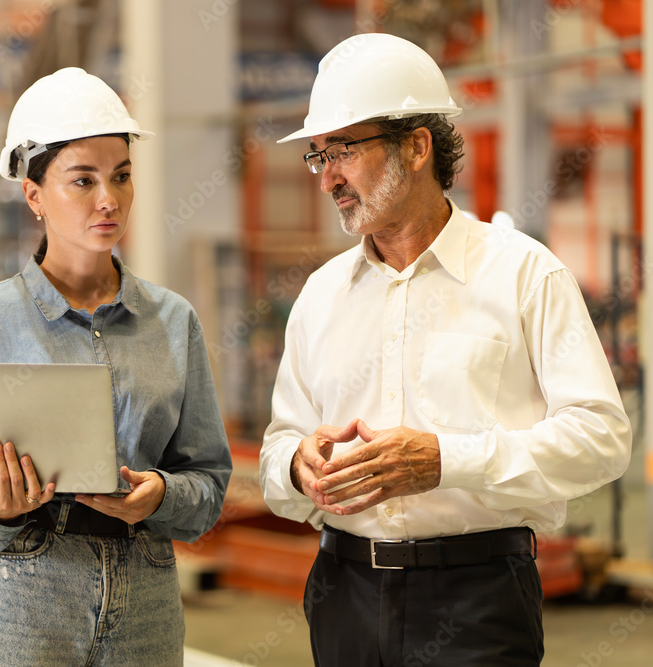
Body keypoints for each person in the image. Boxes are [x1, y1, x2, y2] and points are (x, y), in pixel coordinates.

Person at [259, 33, 632, 666]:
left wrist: (447, 460)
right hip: (342, 595)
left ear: (417, 146)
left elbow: (601, 438)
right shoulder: (321, 296)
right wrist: (299, 466)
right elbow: (279, 442)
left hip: (479, 602)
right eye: (318, 156)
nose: (327, 180)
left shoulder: (523, 275)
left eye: (342, 150)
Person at [0, 67, 232, 666]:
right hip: (25, 604)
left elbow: (210, 487)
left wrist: (161, 496)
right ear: (34, 195)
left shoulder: (172, 321)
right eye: (82, 181)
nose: (108, 200)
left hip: (146, 603)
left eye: (121, 177)